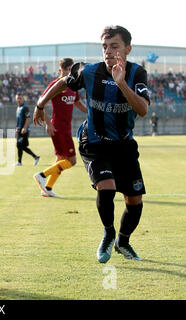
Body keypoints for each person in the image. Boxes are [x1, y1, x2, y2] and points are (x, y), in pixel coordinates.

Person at [34, 25, 149, 263]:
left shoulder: (137, 74)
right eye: (104, 47)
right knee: (106, 189)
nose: (108, 51)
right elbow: (63, 82)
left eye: (114, 46)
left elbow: (143, 109)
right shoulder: (90, 71)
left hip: (124, 144)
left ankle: (123, 241)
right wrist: (41, 102)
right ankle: (108, 234)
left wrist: (121, 84)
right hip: (94, 142)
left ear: (128, 49)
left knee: (134, 202)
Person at [33, 58, 87, 197]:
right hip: (58, 127)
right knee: (72, 161)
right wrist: (48, 123)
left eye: (71, 69)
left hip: (66, 127)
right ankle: (41, 175)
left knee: (60, 160)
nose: (69, 72)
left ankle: (48, 189)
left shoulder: (73, 85)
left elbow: (78, 103)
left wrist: (92, 112)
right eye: (67, 70)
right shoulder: (55, 85)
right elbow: (41, 103)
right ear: (60, 71)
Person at [15, 92, 40, 166]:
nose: (19, 100)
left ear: (23, 99)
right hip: (19, 130)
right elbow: (18, 120)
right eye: (17, 98)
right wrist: (17, 129)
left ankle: (20, 162)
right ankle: (35, 157)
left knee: (19, 145)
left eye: (20, 98)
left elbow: (28, 118)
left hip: (24, 130)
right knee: (21, 146)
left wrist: (24, 128)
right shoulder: (18, 107)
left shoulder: (25, 107)